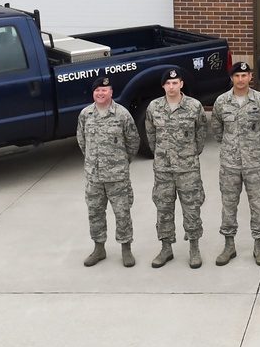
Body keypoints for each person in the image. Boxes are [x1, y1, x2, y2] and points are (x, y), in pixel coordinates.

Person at [211, 61, 260, 267]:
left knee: (257, 204)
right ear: (231, 78)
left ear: (250, 77)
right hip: (229, 164)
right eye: (236, 76)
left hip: (254, 164)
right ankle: (229, 245)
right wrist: (232, 148)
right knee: (229, 205)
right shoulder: (221, 102)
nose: (240, 79)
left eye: (244, 76)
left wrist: (253, 149)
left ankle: (259, 245)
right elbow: (218, 131)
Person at [145, 67, 209, 269]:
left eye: (175, 83)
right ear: (163, 85)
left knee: (192, 208)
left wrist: (190, 154)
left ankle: (194, 248)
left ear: (181, 84)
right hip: (163, 169)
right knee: (163, 208)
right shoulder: (154, 107)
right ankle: (166, 248)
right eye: (168, 83)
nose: (171, 86)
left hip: (188, 168)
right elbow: (151, 135)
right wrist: (162, 155)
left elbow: (201, 133)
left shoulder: (194, 106)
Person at [76, 76, 141, 267]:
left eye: (104, 90)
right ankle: (99, 248)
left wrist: (120, 162)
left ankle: (126, 249)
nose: (100, 93)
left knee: (122, 213)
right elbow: (82, 141)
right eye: (97, 90)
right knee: (95, 213)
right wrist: (93, 162)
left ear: (111, 92)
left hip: (117, 176)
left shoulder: (121, 114)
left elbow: (133, 142)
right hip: (93, 177)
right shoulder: (85, 114)